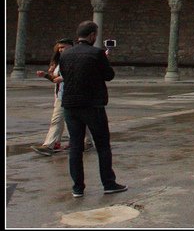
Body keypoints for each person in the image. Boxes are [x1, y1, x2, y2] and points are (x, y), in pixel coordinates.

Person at [59, 21, 126, 198]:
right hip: (92, 105)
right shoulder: (96, 53)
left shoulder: (65, 54)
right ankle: (108, 183)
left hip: (70, 105)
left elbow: (65, 75)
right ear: (92, 36)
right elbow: (109, 75)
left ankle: (77, 188)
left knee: (75, 146)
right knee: (102, 145)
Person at [31, 39, 94, 156]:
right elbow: (56, 79)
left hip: (74, 94)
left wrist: (62, 77)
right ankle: (50, 145)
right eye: (59, 47)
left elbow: (81, 74)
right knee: (59, 120)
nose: (61, 49)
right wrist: (46, 75)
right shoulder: (60, 61)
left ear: (71, 46)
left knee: (75, 119)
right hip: (62, 95)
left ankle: (85, 142)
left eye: (63, 47)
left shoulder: (77, 59)